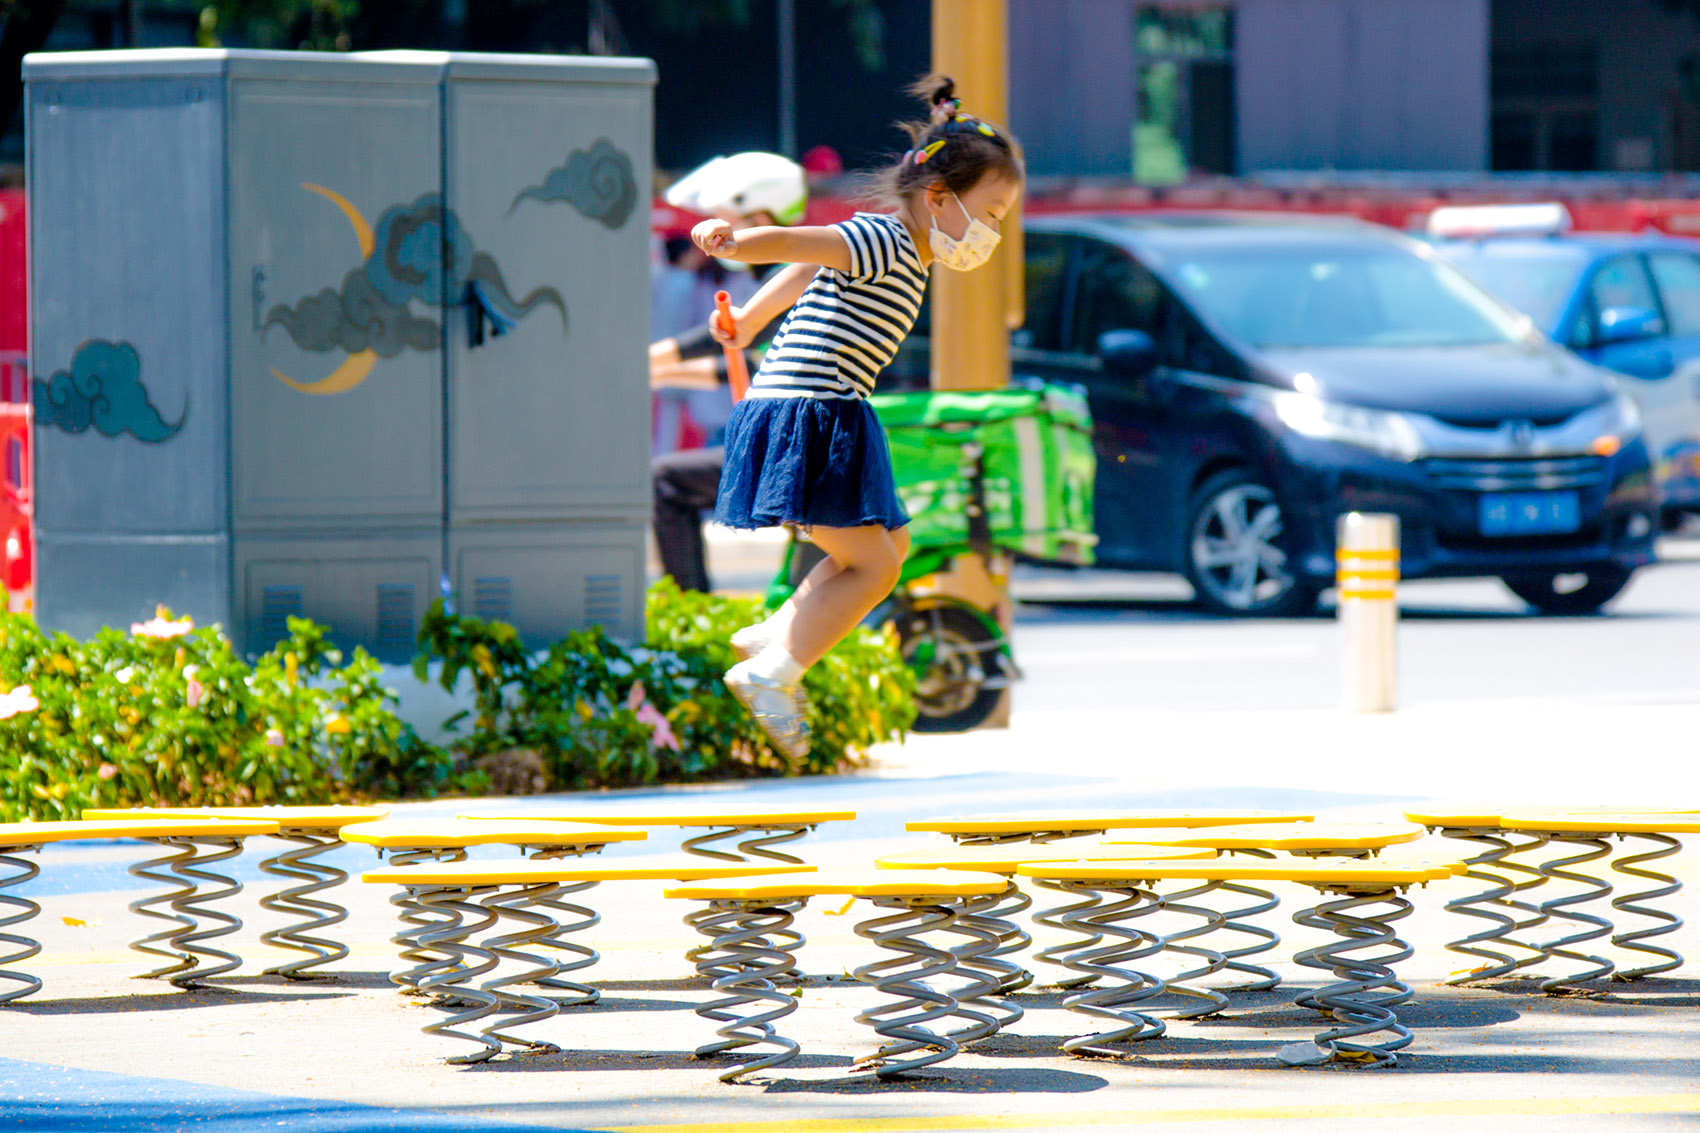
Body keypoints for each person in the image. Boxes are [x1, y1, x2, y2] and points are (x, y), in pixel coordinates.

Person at [693, 75, 1024, 759]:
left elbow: (813, 268)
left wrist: (749, 320)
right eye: (990, 214)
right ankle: (772, 672)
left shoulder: (903, 252)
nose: (992, 233)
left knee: (890, 549)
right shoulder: (886, 240)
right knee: (872, 570)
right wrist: (736, 243)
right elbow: (805, 246)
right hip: (812, 411)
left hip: (826, 407)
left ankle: (776, 634)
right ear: (939, 197)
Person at [650, 152, 808, 593]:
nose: (714, 238)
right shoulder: (771, 276)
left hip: (797, 449)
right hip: (793, 443)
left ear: (761, 218)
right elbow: (736, 351)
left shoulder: (790, 276)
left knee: (664, 481)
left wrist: (654, 362)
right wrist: (657, 367)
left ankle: (692, 609)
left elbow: (737, 341)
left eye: (725, 224)